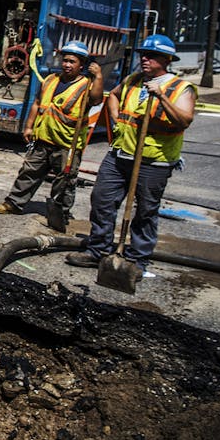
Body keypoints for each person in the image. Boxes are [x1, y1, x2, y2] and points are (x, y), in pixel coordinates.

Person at [64, 34, 196, 274]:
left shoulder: (180, 88)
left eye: (151, 55)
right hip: (120, 155)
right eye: (142, 55)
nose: (144, 59)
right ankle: (98, 250)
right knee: (102, 200)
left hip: (154, 161)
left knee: (145, 211)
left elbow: (184, 120)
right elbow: (113, 95)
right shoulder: (133, 80)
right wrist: (115, 119)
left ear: (166, 59)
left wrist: (161, 96)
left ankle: (136, 261)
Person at [0, 41, 103, 222]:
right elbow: (37, 103)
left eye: (72, 62)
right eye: (65, 60)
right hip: (43, 138)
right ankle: (13, 203)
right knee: (29, 172)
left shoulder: (86, 85)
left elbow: (97, 100)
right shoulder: (51, 80)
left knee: (65, 180)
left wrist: (98, 77)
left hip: (67, 143)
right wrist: (29, 126)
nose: (67, 64)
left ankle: (60, 213)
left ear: (81, 65)